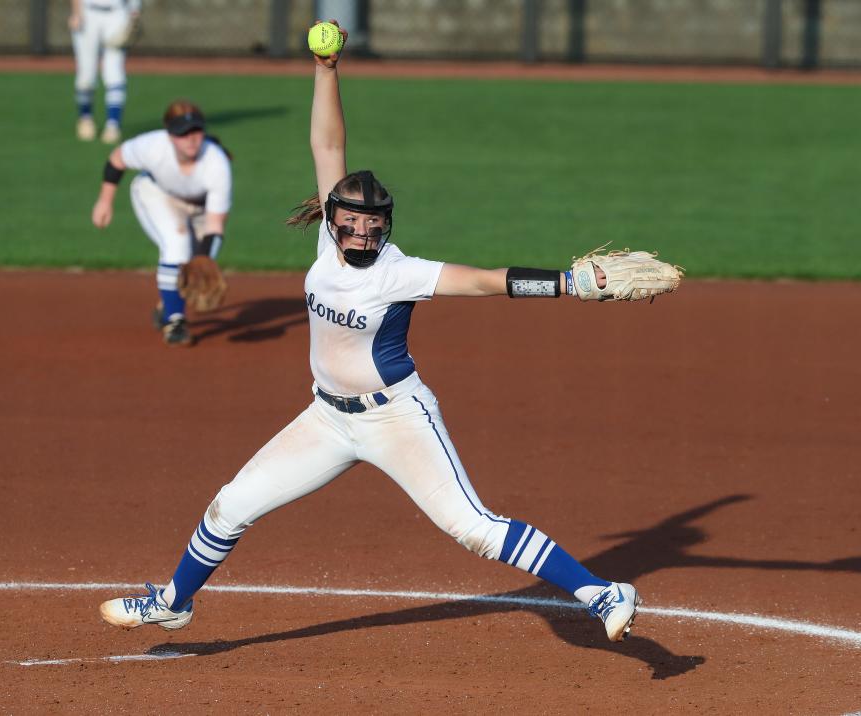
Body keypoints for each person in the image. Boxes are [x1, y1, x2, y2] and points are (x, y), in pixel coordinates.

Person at [98, 23, 643, 642]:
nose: (362, 233)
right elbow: (328, 139)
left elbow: (487, 280)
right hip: (327, 419)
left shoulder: (400, 273)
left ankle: (602, 591)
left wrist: (569, 282)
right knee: (231, 505)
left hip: (397, 418)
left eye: (373, 224)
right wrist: (326, 68)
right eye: (352, 221)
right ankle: (174, 600)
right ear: (332, 218)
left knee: (474, 528)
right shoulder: (330, 247)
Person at [91, 99, 233, 346]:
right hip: (157, 194)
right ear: (169, 134)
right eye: (182, 133)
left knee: (196, 262)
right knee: (177, 243)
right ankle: (175, 321)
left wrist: (203, 259)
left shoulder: (216, 163)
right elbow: (116, 160)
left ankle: (167, 302)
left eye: (196, 130)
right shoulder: (152, 146)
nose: (190, 138)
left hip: (201, 208)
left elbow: (215, 225)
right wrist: (105, 201)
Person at [69, 0, 141, 144]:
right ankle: (85, 118)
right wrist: (76, 13)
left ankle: (113, 125)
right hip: (88, 13)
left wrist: (134, 11)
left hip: (117, 13)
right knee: (86, 75)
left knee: (114, 72)